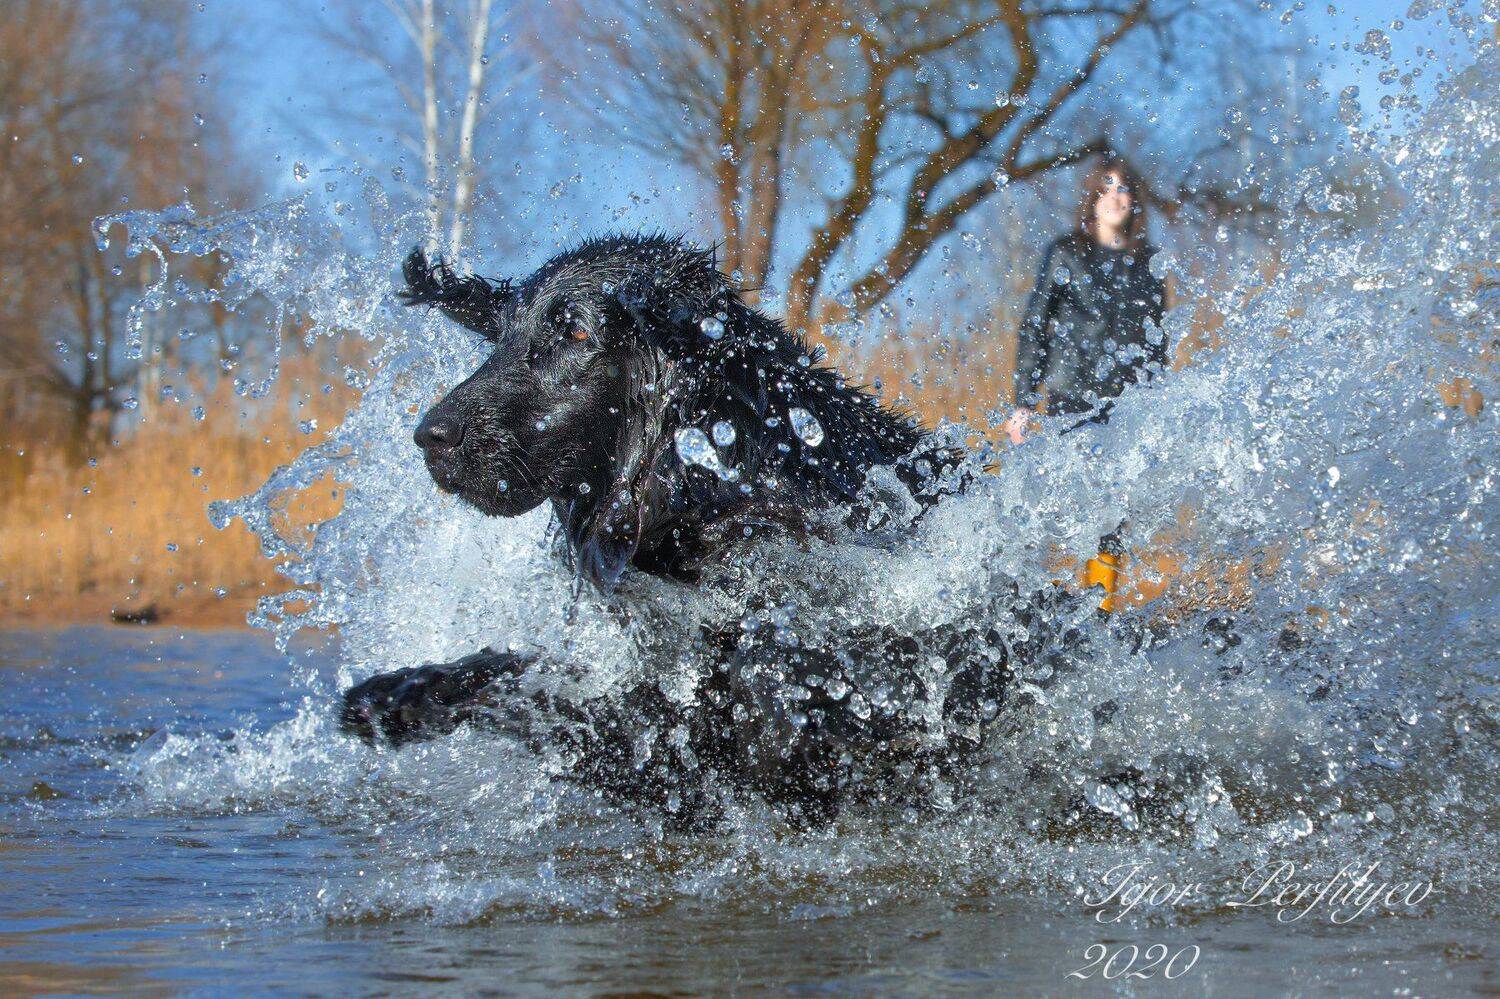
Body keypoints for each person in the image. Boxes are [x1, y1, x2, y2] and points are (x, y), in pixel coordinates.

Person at [1005, 158, 1169, 610]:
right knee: (1065, 504)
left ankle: (1101, 609)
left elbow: (1159, 340)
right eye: (1107, 188)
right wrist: (1023, 402)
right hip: (1070, 398)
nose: (1116, 197)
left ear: (1134, 201)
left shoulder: (1149, 261)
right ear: (1093, 200)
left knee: (1113, 512)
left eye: (1124, 188)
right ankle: (1034, 604)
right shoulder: (1065, 252)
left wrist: (1160, 402)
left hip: (1128, 402)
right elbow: (1034, 326)